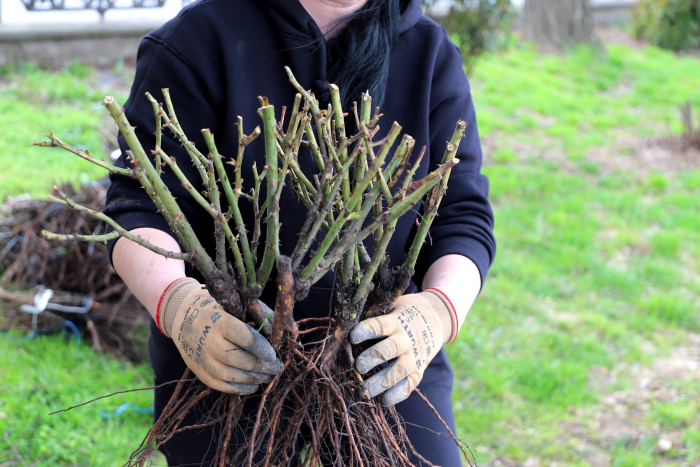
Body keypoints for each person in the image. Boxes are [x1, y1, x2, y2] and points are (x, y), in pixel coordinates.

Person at [105, 0, 496, 465]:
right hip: (227, 353)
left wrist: (438, 311)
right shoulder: (198, 40)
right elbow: (141, 206)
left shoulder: (430, 54)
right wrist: (177, 306)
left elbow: (461, 215)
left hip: (384, 352)